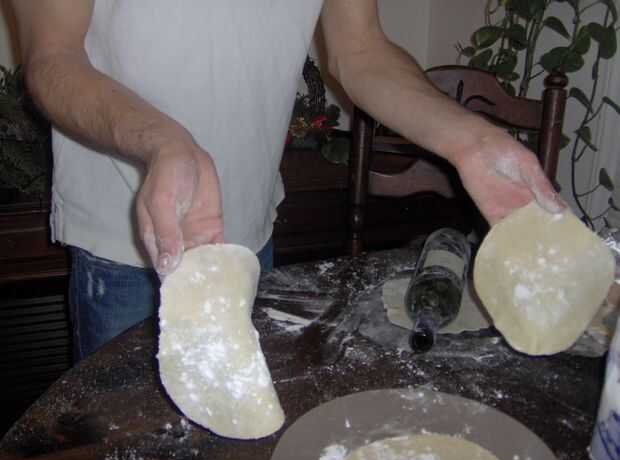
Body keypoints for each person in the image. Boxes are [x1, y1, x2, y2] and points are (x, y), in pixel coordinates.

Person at [10, 0, 563, 363]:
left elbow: (360, 50)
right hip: (125, 247)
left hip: (250, 231)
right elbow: (52, 58)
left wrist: (467, 138)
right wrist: (161, 141)